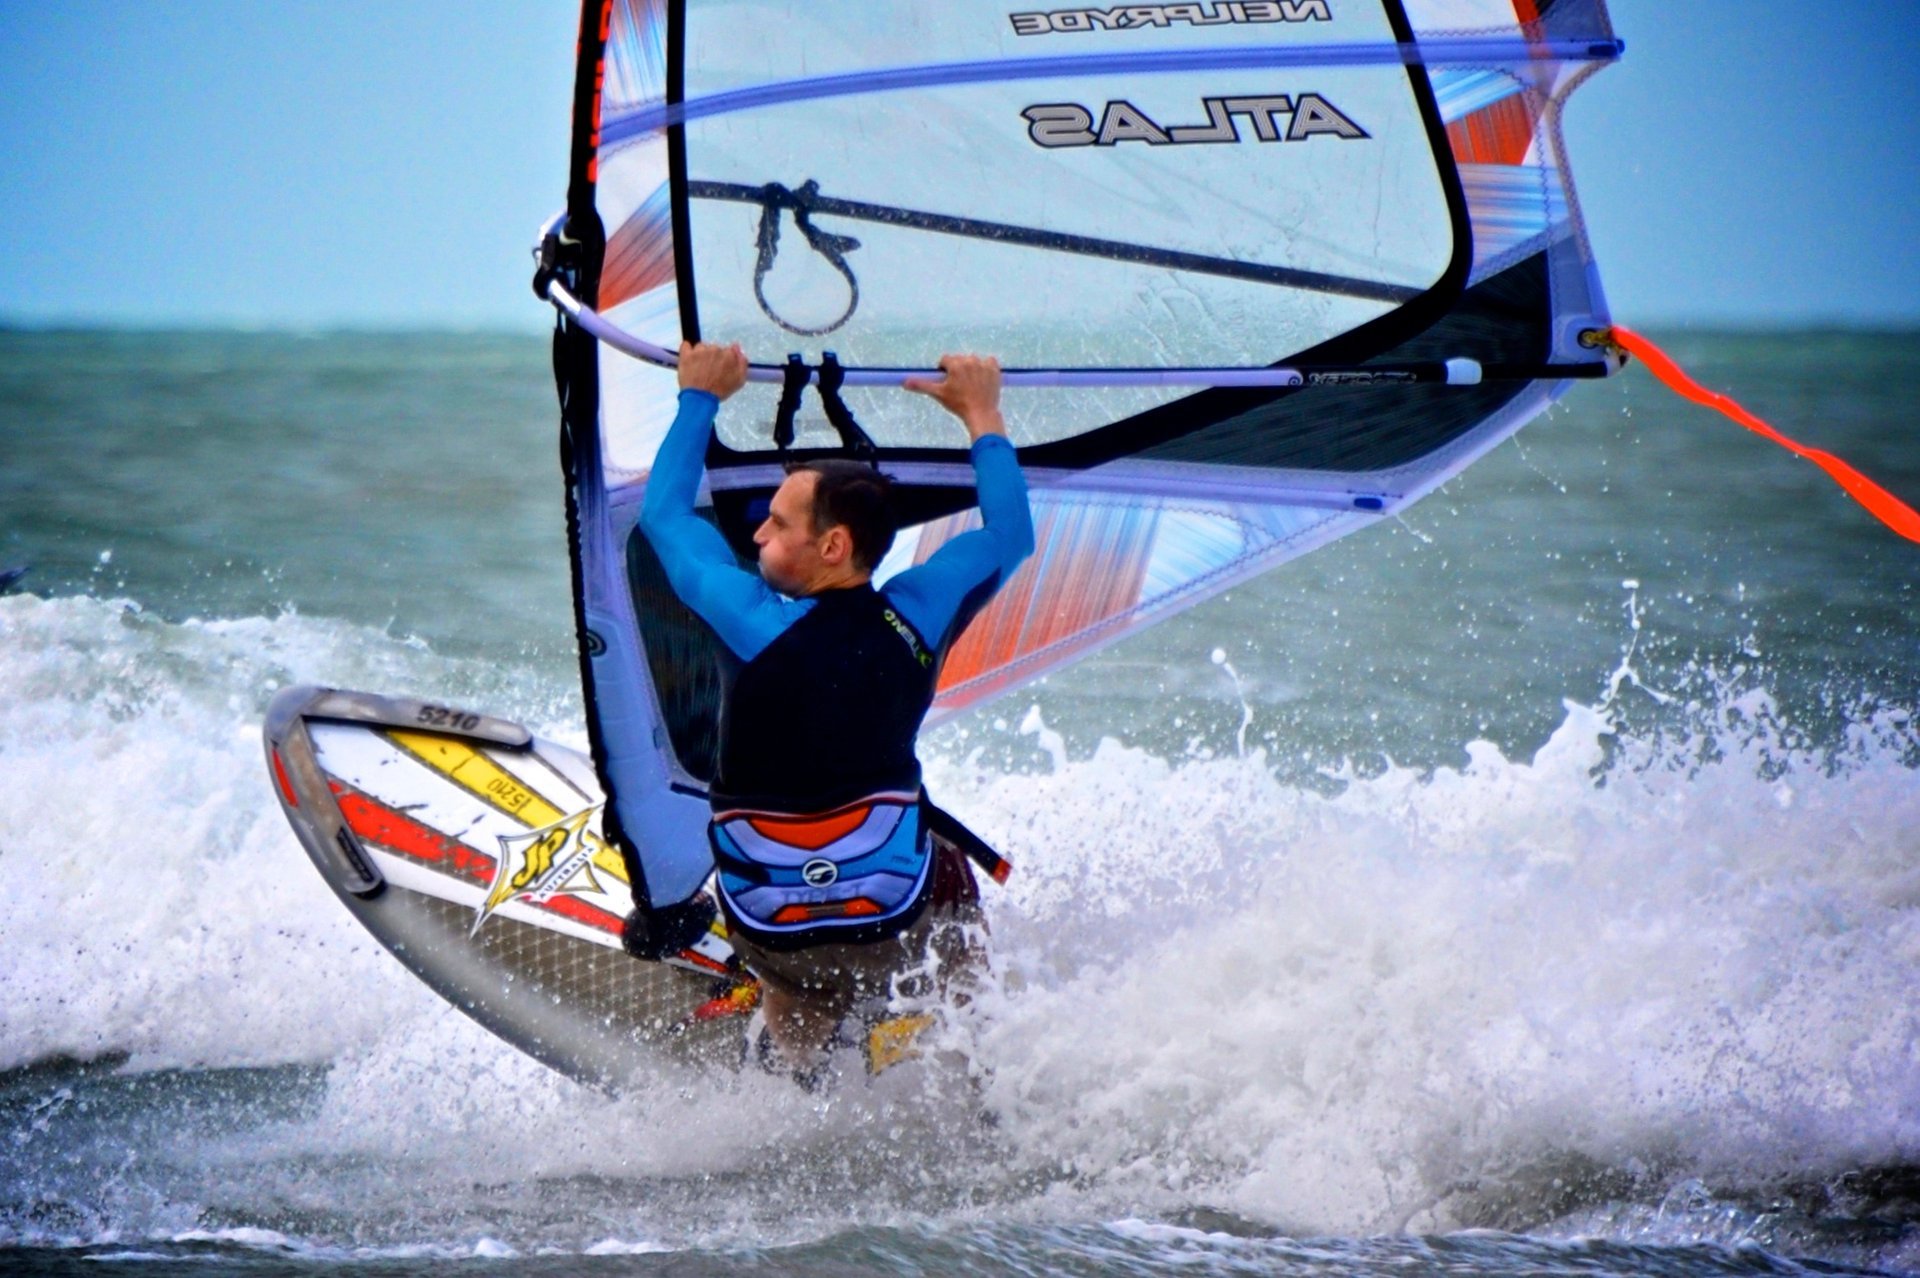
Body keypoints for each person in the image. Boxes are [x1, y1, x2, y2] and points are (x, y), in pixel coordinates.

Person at [632, 340, 1034, 1074]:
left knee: (793, 955)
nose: (757, 532)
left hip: (774, 932)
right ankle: (975, 1050)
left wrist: (701, 397)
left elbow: (663, 518)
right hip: (894, 924)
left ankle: (794, 1046)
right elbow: (1010, 533)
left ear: (834, 544)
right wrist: (981, 411)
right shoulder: (919, 614)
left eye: (779, 524)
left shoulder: (745, 617)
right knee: (943, 858)